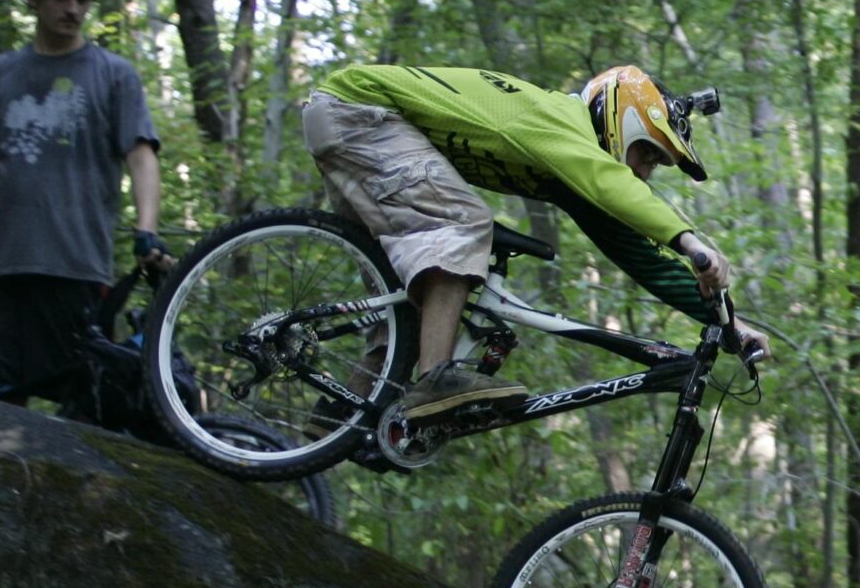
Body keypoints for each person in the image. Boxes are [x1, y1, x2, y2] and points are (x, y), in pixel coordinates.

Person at [298, 61, 759, 424]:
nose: (641, 172)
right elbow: (613, 185)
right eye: (646, 155)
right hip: (361, 113)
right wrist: (690, 241)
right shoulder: (559, 121)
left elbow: (637, 252)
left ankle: (342, 419)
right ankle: (435, 379)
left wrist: (727, 323)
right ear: (623, 119)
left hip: (348, 122)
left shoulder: (568, 166)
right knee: (464, 224)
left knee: (421, 298)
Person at [0, 0, 165, 404]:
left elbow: (141, 156)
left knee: (83, 400)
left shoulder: (114, 75)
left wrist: (147, 231)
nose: (73, 9)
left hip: (76, 263)